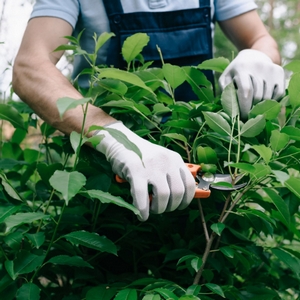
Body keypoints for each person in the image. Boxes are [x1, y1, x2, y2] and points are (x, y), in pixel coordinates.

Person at [12, 0, 285, 221]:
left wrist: (259, 55)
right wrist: (118, 141)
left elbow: (260, 38)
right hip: (106, 178)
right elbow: (30, 67)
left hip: (202, 162)